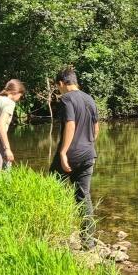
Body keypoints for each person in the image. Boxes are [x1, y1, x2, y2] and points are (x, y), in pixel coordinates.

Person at [49, 68, 99, 221]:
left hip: (71, 154)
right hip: (89, 154)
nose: (59, 90)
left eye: (58, 87)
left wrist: (63, 152)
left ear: (61, 83)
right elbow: (96, 128)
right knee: (84, 197)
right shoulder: (89, 99)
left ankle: (52, 228)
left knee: (51, 188)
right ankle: (88, 242)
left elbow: (70, 124)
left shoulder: (66, 99)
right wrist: (88, 144)